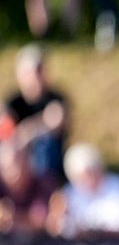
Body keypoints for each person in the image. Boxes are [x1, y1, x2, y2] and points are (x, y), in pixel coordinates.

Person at [1, 44, 70, 186]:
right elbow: (7, 135)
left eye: (38, 70)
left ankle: (46, 188)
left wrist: (25, 131)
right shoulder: (12, 102)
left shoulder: (56, 99)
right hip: (19, 156)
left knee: (45, 144)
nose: (35, 76)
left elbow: (58, 124)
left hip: (48, 160)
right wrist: (41, 123)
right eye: (29, 72)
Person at [45, 143, 119, 238]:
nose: (87, 180)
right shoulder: (68, 194)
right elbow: (57, 226)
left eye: (90, 173)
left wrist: (94, 233)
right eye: (81, 177)